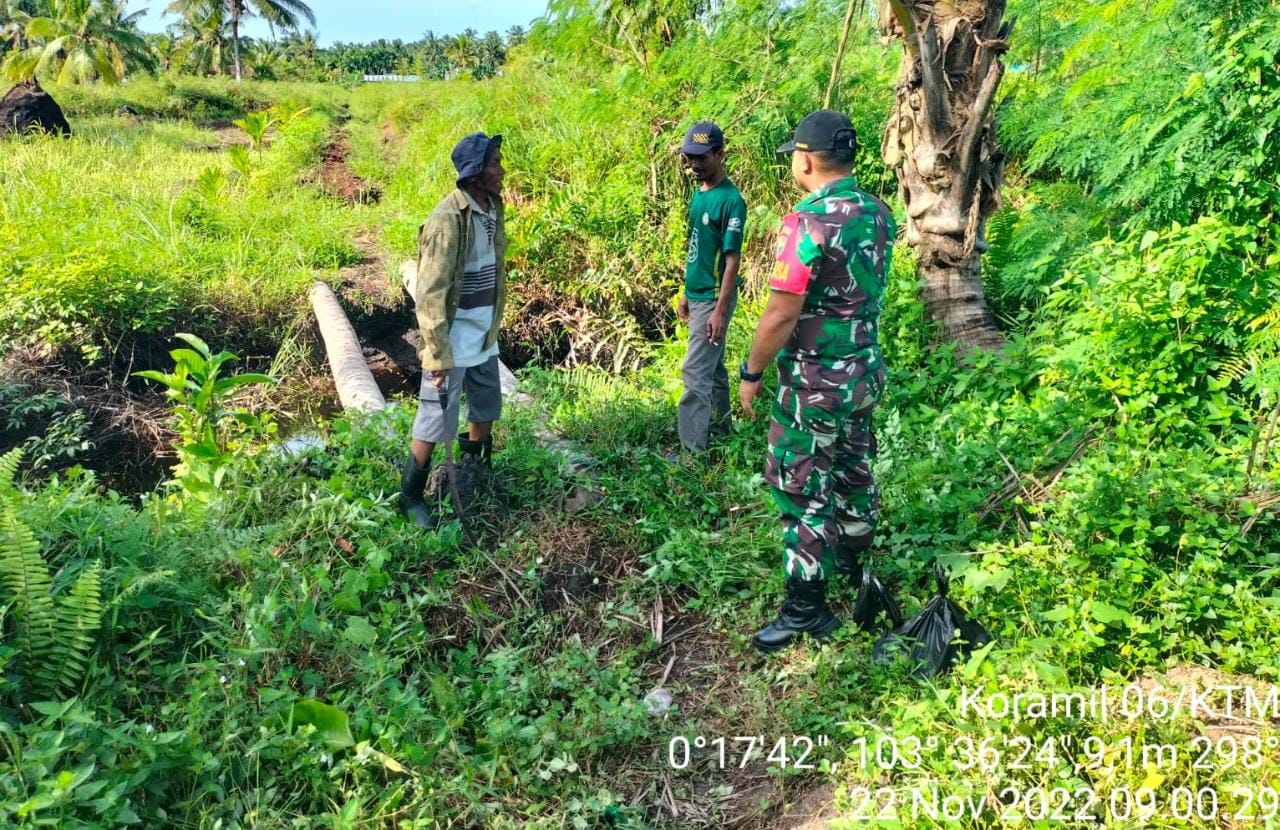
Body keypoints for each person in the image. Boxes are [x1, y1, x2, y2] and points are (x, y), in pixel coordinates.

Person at [738, 110, 897, 653]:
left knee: (803, 485)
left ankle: (807, 609)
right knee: (854, 470)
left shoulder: (806, 223)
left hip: (814, 383)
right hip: (862, 373)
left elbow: (782, 313)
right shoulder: (877, 213)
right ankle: (857, 575)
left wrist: (751, 372)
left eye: (794, 158)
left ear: (806, 159)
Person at [399, 131, 508, 528]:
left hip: (483, 335)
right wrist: (438, 352)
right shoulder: (447, 219)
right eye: (495, 163)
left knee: (485, 406)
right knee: (434, 419)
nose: (501, 170)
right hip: (452, 339)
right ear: (476, 173)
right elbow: (429, 293)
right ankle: (410, 496)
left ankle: (473, 475)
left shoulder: (493, 207)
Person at [674, 120, 748, 457]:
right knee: (712, 367)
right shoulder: (699, 193)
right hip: (699, 293)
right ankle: (721, 429)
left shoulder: (731, 200)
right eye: (689, 158)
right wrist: (686, 292)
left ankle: (692, 453)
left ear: (720, 154)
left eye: (701, 158)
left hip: (714, 298)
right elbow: (697, 246)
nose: (694, 165)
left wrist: (719, 309)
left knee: (694, 372)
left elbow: (732, 259)